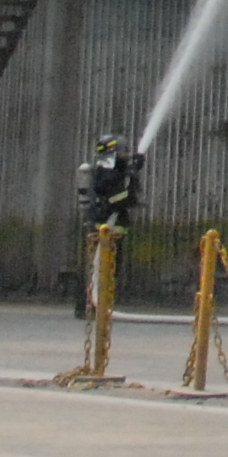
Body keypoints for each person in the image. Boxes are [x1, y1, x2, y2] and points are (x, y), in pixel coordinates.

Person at [74, 133, 143, 319]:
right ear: (114, 153)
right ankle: (90, 306)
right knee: (101, 268)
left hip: (109, 227)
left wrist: (133, 171)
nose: (127, 155)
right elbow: (116, 198)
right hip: (107, 227)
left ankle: (94, 305)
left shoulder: (109, 171)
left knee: (103, 268)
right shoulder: (107, 173)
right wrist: (132, 182)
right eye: (124, 152)